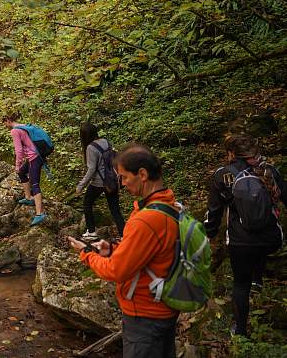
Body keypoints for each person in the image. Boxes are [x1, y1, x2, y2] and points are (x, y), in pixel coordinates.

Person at [67, 144, 179, 357]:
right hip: (164, 309)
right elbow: (151, 252)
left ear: (143, 174)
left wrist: (86, 254)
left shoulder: (148, 219)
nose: (122, 183)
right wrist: (113, 249)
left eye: (125, 177)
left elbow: (116, 271)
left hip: (145, 315)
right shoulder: (170, 205)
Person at [204, 135, 285, 337]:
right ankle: (257, 280)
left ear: (231, 153)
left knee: (240, 284)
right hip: (271, 239)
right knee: (258, 245)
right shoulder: (269, 171)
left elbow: (214, 210)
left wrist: (209, 234)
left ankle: (240, 331)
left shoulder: (222, 175)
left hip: (240, 241)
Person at [76, 122, 125, 240]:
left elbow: (92, 169)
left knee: (87, 203)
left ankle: (91, 232)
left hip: (99, 182)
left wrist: (81, 185)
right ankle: (124, 234)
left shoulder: (90, 147)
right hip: (112, 180)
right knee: (115, 209)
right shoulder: (106, 142)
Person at [2, 114, 47, 226]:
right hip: (37, 156)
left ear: (8, 120)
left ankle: (39, 213)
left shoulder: (15, 131)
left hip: (34, 158)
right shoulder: (23, 126)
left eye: (4, 123)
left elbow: (19, 150)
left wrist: (17, 165)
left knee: (35, 184)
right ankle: (28, 197)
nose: (4, 126)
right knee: (23, 172)